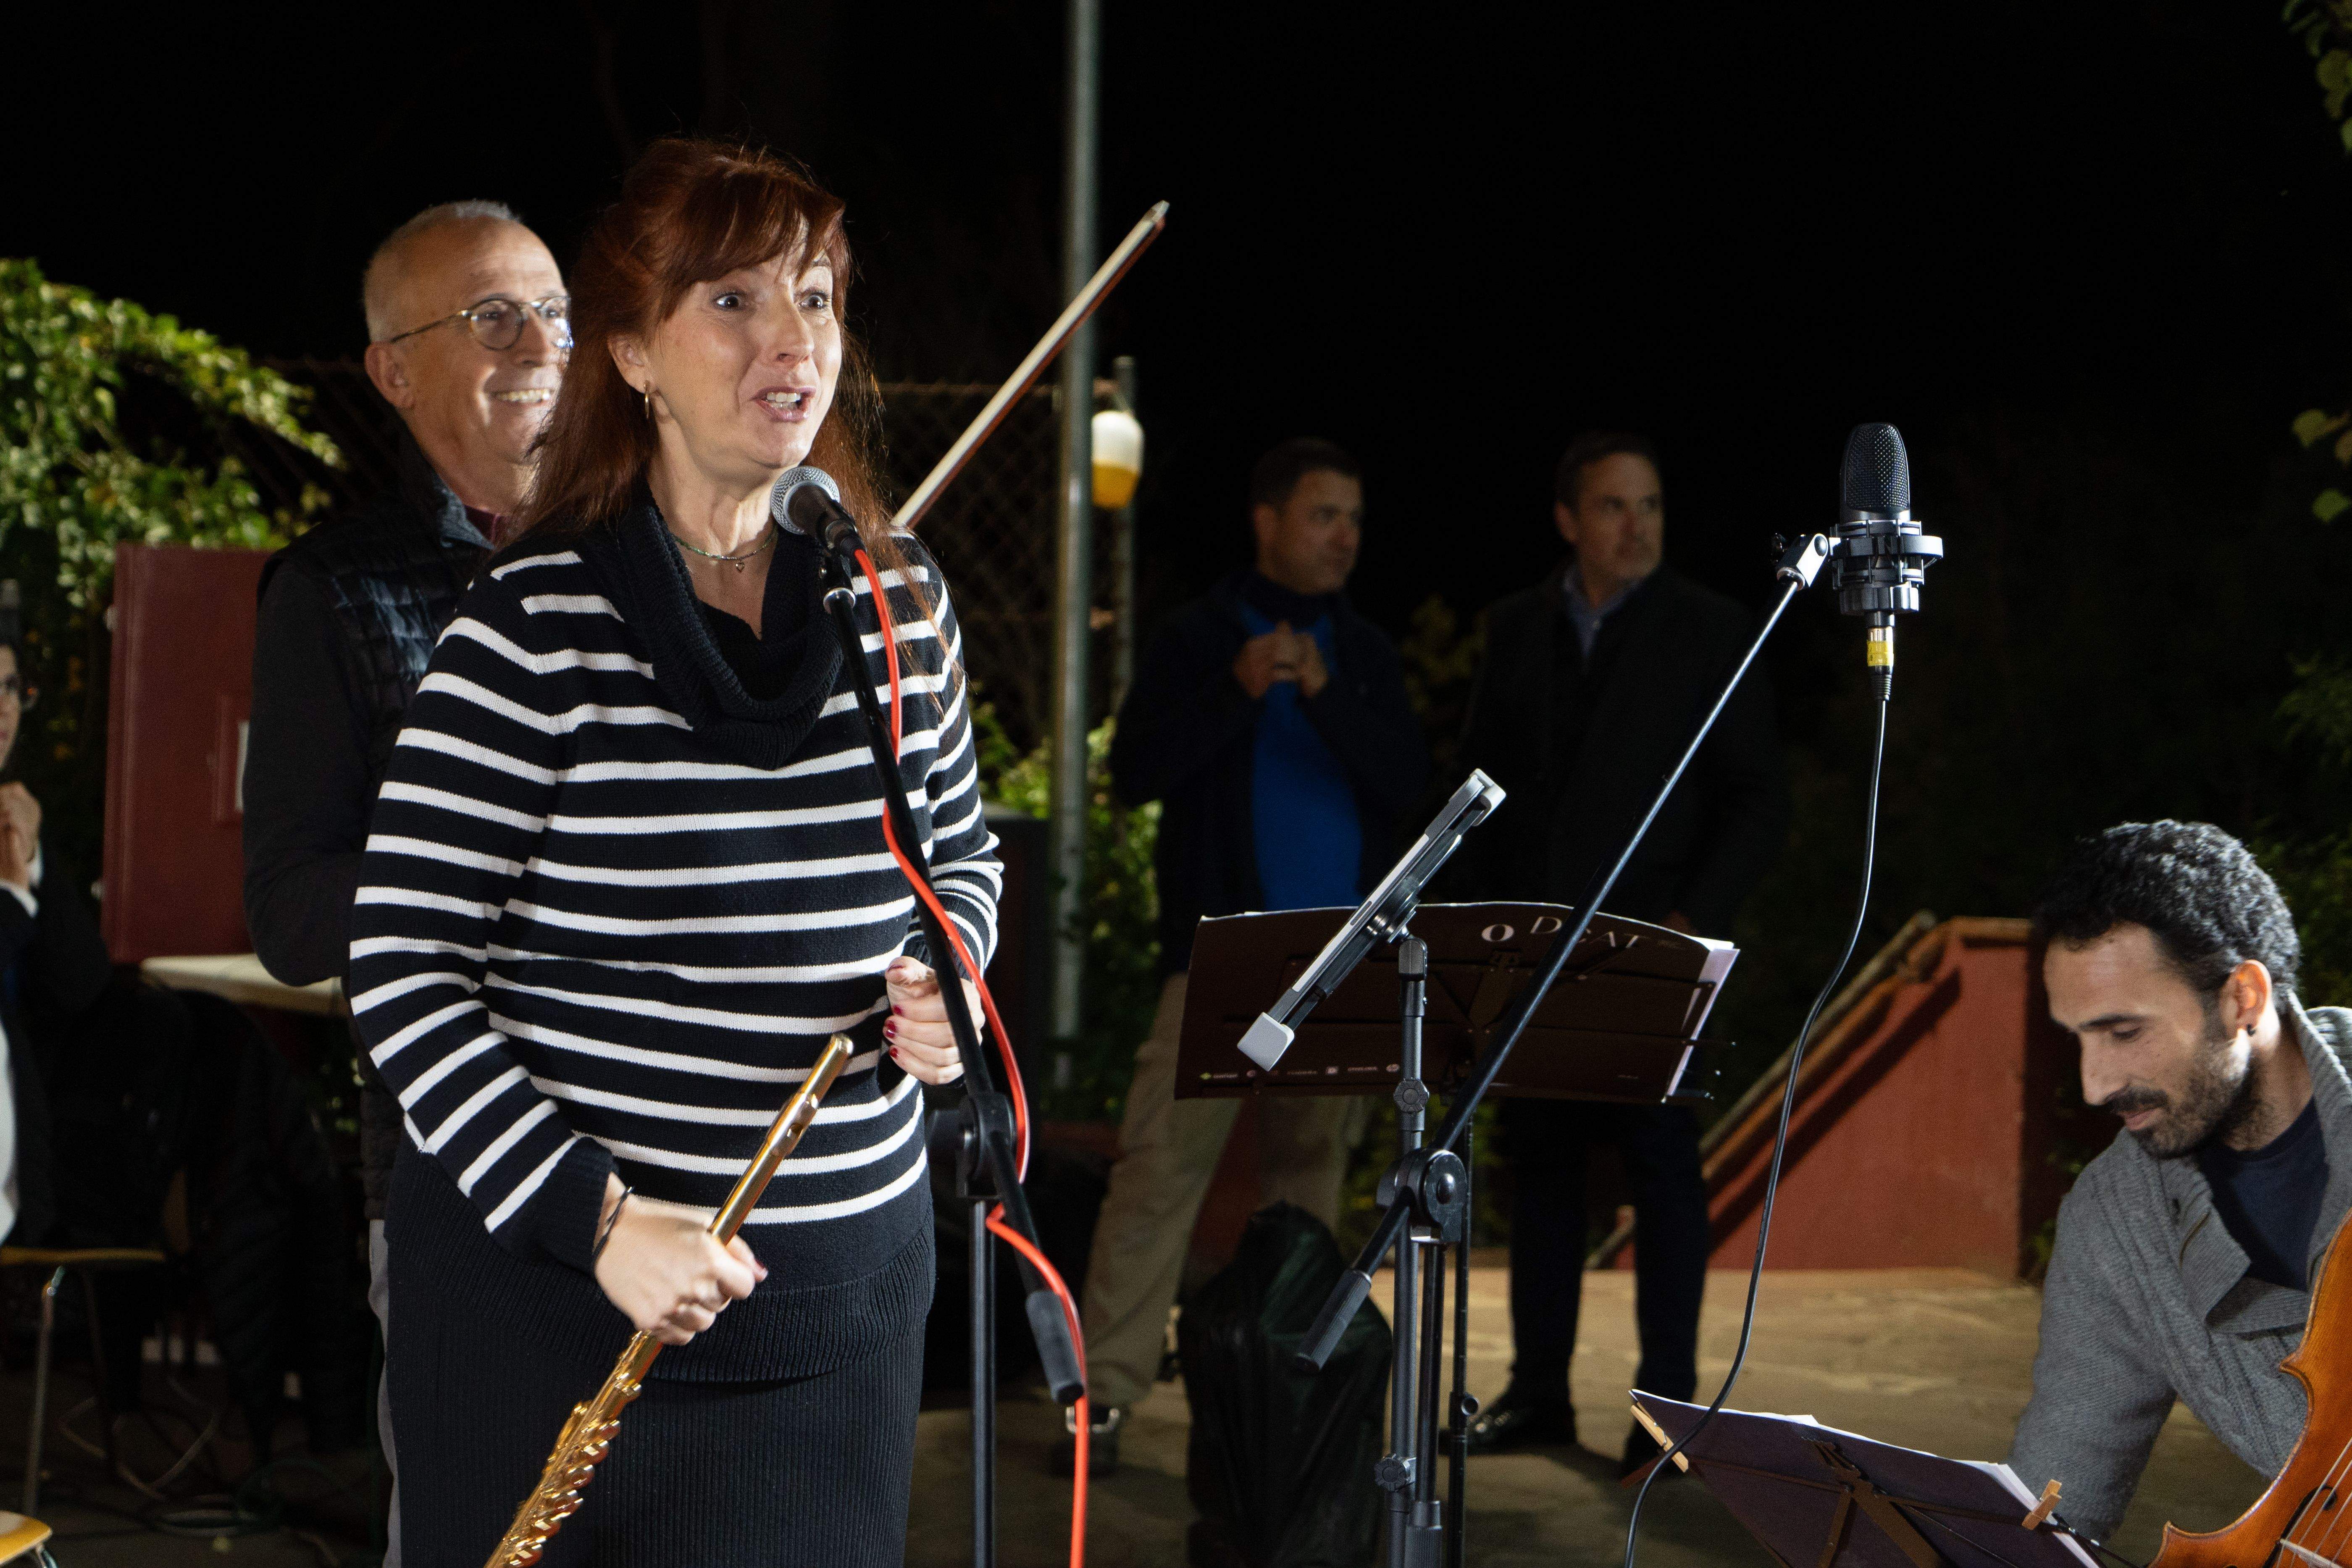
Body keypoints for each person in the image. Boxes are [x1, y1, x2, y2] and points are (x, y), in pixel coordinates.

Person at [346, 139, 992, 1565]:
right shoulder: (530, 628)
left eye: (817, 299)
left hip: (839, 1302)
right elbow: (400, 965)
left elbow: (963, 862)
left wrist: (952, 971)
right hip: (559, 1314)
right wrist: (601, 1218)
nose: (792, 341)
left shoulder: (901, 599)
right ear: (630, 351)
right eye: (735, 302)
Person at [242, 196, 567, 1564]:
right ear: (396, 367)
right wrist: (466, 864)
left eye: (555, 309)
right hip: (458, 1175)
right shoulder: (333, 589)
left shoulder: (650, 560)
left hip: (676, 1149)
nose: (539, 341)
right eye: (492, 316)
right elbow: (293, 917)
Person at [1065, 437, 1428, 1475]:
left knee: (1310, 1181)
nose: (1344, 538)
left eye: (1354, 519)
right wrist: (1232, 690)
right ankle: (1107, 1400)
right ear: (1266, 520)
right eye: (1324, 516)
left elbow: (1406, 782)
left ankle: (1295, 1388)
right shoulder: (1196, 636)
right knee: (1156, 1173)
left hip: (1343, 958)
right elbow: (1136, 771)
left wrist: (1323, 698)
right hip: (1222, 951)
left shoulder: (1360, 652)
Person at [1456, 431, 1787, 1473]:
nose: (1636, 525)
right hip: (1537, 949)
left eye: (1649, 504)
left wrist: (1696, 916)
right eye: (1612, 506)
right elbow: (1482, 784)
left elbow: (1757, 798)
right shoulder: (1514, 628)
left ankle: (1668, 1414)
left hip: (1656, 946)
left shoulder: (1712, 629)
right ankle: (1538, 1395)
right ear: (1568, 520)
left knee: (1660, 1171)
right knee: (1541, 1169)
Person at [2012, 821, 2346, 1543]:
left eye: (2124, 1033)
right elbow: (2057, 1503)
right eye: (2079, 1037)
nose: (2095, 1084)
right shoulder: (2115, 1217)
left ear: (2242, 999)